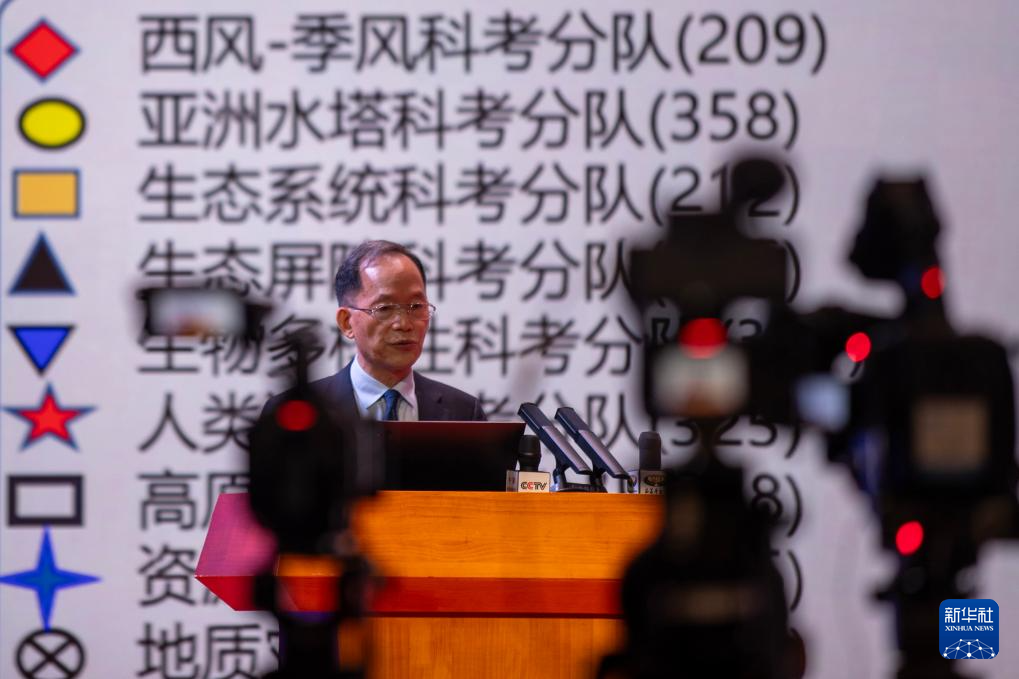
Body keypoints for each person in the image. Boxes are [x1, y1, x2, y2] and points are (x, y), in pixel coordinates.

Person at [266, 240, 485, 422]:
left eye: (416, 306)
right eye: (385, 308)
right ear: (346, 322)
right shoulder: (297, 415)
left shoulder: (465, 413)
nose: (404, 324)